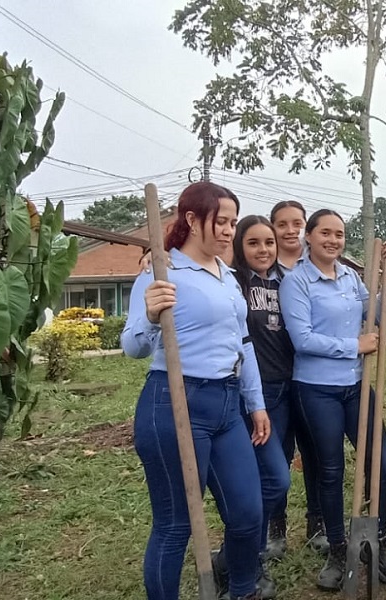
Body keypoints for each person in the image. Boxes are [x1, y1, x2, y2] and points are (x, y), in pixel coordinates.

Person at [121, 181, 269, 600]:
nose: (228, 231)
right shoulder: (160, 272)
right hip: (174, 402)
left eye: (232, 222)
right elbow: (132, 346)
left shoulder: (227, 276)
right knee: (175, 524)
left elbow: (243, 343)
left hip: (227, 405)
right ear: (191, 219)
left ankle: (241, 590)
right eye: (220, 221)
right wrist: (151, 315)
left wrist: (255, 403)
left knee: (247, 513)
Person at [279, 209, 386, 591]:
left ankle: (377, 541)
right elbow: (302, 339)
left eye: (339, 234)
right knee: (331, 470)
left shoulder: (350, 277)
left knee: (381, 465)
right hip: (316, 388)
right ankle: (337, 548)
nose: (333, 240)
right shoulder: (297, 281)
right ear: (309, 237)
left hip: (356, 386)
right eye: (326, 233)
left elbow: (375, 311)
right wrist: (354, 345)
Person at [208, 215, 293, 599]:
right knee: (271, 479)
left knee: (271, 478)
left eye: (269, 242)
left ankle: (236, 556)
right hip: (248, 398)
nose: (263, 250)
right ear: (239, 246)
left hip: (285, 392)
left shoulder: (287, 282)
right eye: (254, 242)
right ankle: (246, 556)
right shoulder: (233, 283)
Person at [265, 200, 328, 558]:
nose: (290, 230)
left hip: (315, 375)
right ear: (272, 227)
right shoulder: (261, 268)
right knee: (278, 452)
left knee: (316, 449)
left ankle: (317, 522)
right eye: (282, 224)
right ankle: (276, 527)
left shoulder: (317, 265)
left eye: (297, 223)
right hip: (274, 374)